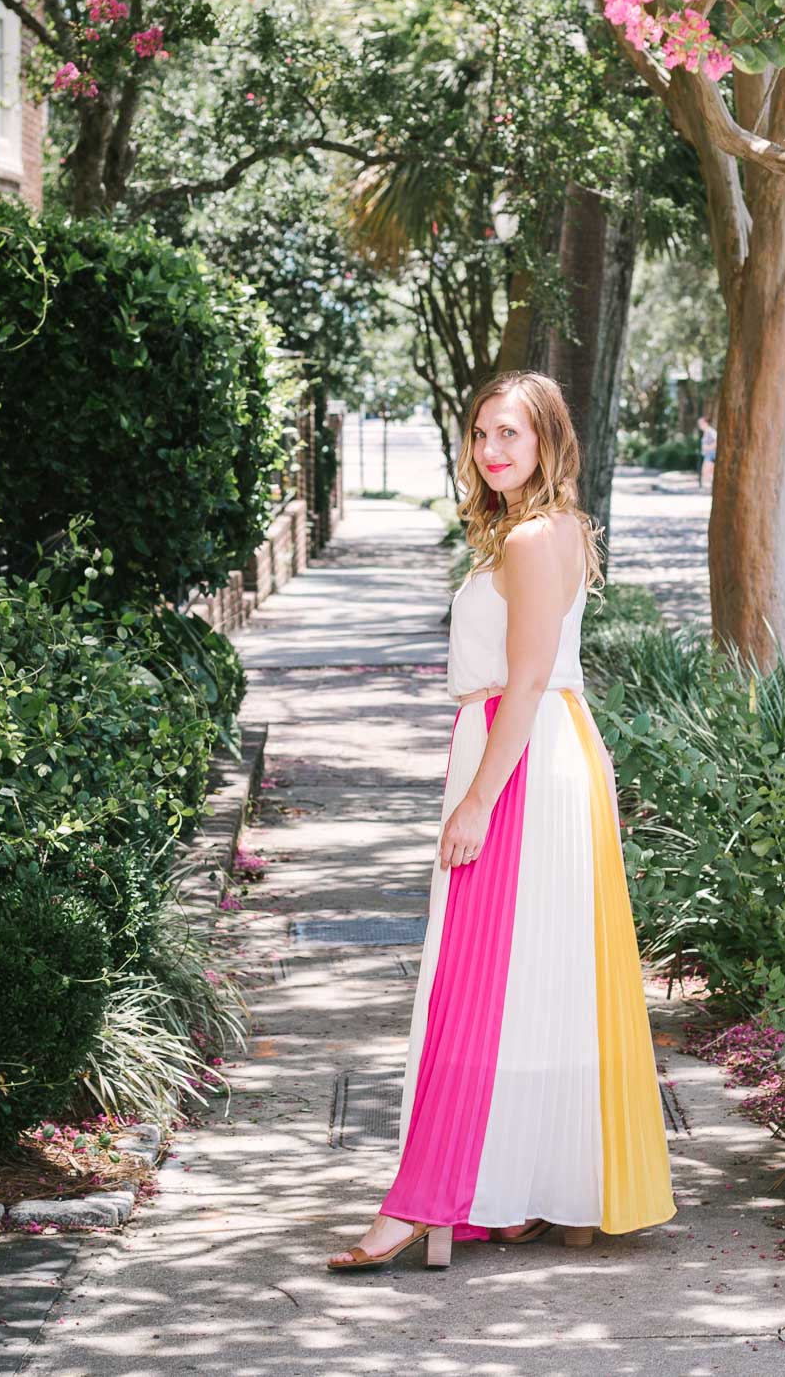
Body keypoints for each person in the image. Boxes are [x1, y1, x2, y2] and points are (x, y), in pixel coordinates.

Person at [327, 369, 676, 1274]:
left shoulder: (529, 539)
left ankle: (426, 1198)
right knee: (539, 987)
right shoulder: (551, 529)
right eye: (481, 434)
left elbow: (522, 681)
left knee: (472, 986)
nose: (490, 451)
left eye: (509, 435)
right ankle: (524, 1189)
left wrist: (477, 801)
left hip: (518, 755)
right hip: (546, 749)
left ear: (549, 442)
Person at [697, 414, 717, 492]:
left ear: (705, 423)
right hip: (709, 454)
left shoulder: (710, 431)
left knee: (705, 471)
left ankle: (707, 488)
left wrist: (709, 447)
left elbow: (717, 440)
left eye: (701, 423)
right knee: (710, 472)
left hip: (710, 454)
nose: (700, 425)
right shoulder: (706, 432)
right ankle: (711, 488)